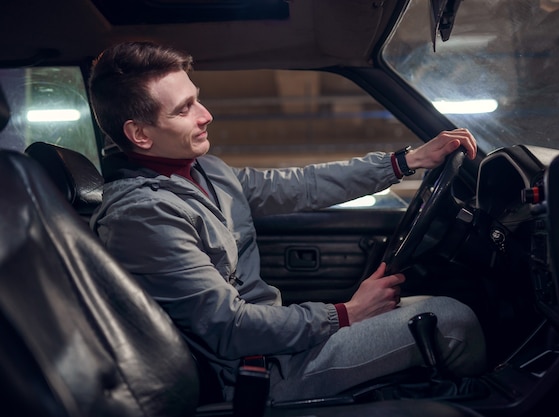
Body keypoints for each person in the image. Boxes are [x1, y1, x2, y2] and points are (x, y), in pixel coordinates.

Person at [88, 41, 486, 403]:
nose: (206, 116)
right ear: (139, 133)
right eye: (184, 109)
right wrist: (346, 313)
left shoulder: (202, 171)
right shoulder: (143, 216)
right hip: (256, 372)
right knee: (452, 320)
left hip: (278, 345)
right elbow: (230, 326)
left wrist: (405, 162)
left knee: (418, 306)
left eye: (198, 100)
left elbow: (299, 186)